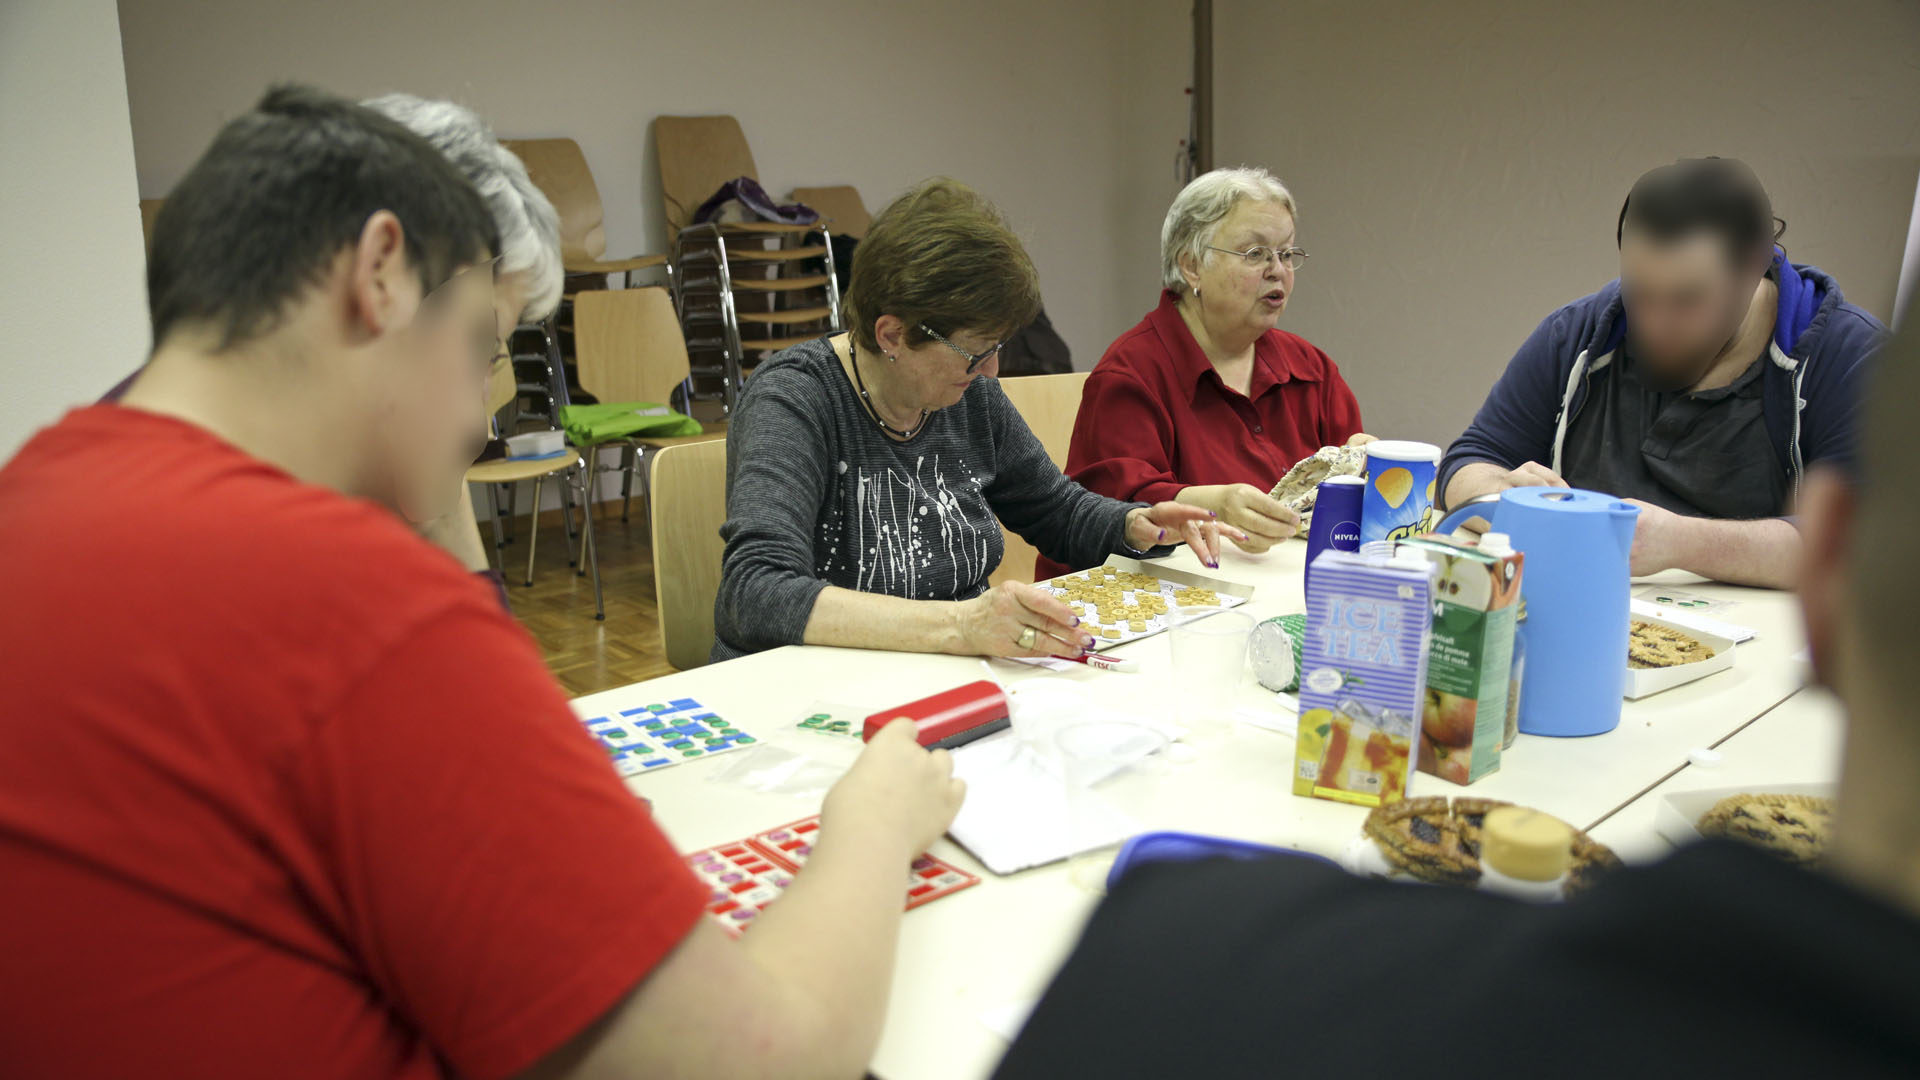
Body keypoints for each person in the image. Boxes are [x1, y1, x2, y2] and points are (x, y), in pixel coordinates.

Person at [0, 85, 965, 1079]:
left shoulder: (37, 491)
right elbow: (766, 1058)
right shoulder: (354, 608)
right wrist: (875, 822)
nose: (477, 420)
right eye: (478, 350)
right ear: (380, 273)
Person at [994, 320, 1920, 1077]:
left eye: (1287, 249)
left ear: (1823, 563)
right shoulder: (1582, 335)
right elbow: (1470, 460)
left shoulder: (1179, 954)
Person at [713, 179, 1245, 663]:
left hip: (942, 673)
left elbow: (1053, 509)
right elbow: (756, 593)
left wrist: (1134, 522)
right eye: (974, 351)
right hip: (814, 688)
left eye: (996, 347)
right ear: (891, 334)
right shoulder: (794, 400)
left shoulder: (965, 393)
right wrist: (958, 625)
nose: (991, 369)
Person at [1441, 157, 1885, 589]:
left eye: (1687, 300)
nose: (1656, 325)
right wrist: (1510, 498)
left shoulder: (1851, 360)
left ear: (1754, 267)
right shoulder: (1579, 336)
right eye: (1641, 294)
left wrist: (1682, 543)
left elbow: (1865, 547)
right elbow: (1465, 464)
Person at [1044, 167, 1368, 579]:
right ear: (1192, 266)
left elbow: (1344, 497)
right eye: (1255, 254)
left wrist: (1363, 467)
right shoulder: (1131, 374)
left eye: (1286, 254)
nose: (1277, 270)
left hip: (1284, 587)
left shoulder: (1311, 368)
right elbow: (1114, 514)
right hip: (1158, 602)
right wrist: (1217, 503)